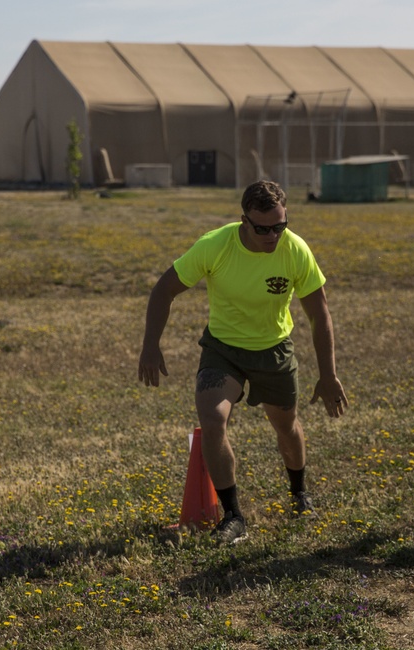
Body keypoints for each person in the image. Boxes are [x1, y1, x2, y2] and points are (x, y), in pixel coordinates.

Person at [138, 180, 348, 545]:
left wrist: (328, 375)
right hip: (224, 349)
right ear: (243, 222)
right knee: (213, 419)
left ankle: (298, 492)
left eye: (280, 226)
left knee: (286, 427)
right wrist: (150, 344)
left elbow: (320, 314)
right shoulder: (215, 245)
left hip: (274, 349)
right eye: (262, 228)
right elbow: (164, 289)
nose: (272, 235)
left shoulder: (295, 250)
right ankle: (234, 515)